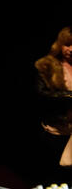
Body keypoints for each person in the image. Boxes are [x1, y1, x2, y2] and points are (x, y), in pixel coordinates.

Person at [34, 26, 72, 168]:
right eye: (67, 44)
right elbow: (42, 94)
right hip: (54, 131)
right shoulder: (46, 65)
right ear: (60, 44)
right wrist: (69, 95)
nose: (71, 49)